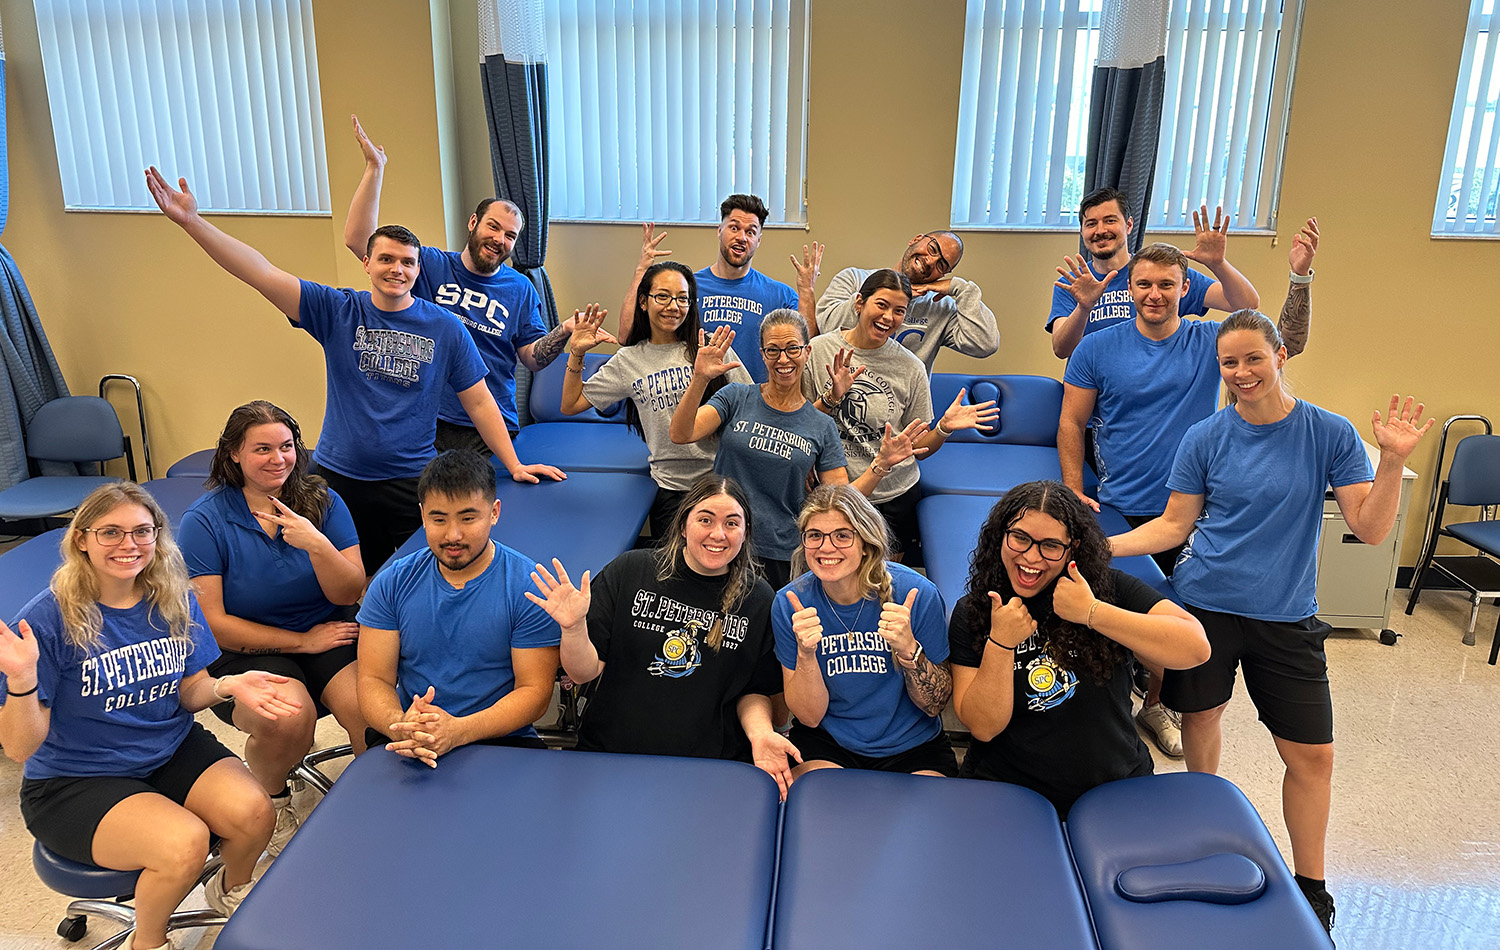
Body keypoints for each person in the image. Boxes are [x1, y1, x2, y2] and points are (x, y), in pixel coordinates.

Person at [1109, 309, 1433, 936]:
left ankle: (1312, 887)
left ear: (1280, 354)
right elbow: (1174, 527)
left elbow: (1368, 529)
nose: (1241, 372)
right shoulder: (1205, 436)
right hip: (1204, 605)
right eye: (1229, 363)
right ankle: (1202, 839)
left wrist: (1391, 461)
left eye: (1253, 358)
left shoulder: (1327, 433)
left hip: (1286, 615)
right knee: (1201, 719)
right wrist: (1099, 548)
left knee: (1313, 756)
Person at [145, 168, 563, 578]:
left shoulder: (446, 328)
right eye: (385, 259)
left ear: (419, 271)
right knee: (338, 578)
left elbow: (479, 400)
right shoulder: (337, 310)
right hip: (339, 475)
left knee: (429, 576)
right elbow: (261, 272)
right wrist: (193, 222)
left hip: (411, 477)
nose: (396, 269)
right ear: (367, 262)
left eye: (407, 262)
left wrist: (515, 463)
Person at [0, 483, 301, 949]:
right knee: (185, 843)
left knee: (255, 813)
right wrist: (21, 680)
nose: (130, 545)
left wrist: (228, 684)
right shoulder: (48, 618)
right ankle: (150, 940)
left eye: (143, 531)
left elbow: (189, 691)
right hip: (76, 779)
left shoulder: (174, 597)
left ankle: (226, 894)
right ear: (81, 538)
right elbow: (20, 747)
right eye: (111, 533)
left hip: (167, 747)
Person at [1058, 241, 1311, 758]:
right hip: (1121, 501)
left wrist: (1226, 264)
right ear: (1129, 289)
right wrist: (1072, 488)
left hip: (1195, 505)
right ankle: (1108, 707)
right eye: (1144, 284)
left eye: (1166, 284)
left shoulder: (1205, 339)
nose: (1154, 294)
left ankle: (1157, 703)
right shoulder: (1098, 347)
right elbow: (1071, 421)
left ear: (1184, 288)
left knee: (1181, 614)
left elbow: (1258, 318)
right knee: (1121, 612)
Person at [525, 474, 801, 797]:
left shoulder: (758, 599)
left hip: (708, 768)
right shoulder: (631, 570)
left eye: (731, 523)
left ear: (745, 533)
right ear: (683, 525)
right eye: (705, 519)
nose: (718, 534)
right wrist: (573, 629)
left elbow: (753, 691)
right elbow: (582, 671)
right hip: (612, 756)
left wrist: (760, 733)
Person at [947, 481, 1208, 817]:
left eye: (1051, 545)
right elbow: (983, 727)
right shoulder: (976, 610)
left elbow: (1195, 648)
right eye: (1020, 537)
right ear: (1000, 536)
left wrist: (1091, 613)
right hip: (1009, 789)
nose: (1031, 557)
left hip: (1114, 784)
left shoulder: (1109, 590)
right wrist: (1001, 642)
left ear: (1073, 548)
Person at [177, 400, 369, 855]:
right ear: (234, 456)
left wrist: (317, 544)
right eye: (262, 448)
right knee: (288, 717)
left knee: (369, 709)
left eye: (286, 446)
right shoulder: (204, 521)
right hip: (246, 649)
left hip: (329, 630)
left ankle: (374, 803)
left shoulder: (323, 500)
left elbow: (349, 592)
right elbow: (218, 626)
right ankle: (272, 796)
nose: (277, 459)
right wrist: (302, 641)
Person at [343, 115, 576, 454]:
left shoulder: (521, 288)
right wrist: (374, 169)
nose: (499, 239)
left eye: (510, 235)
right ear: (473, 223)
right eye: (493, 227)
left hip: (489, 423)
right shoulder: (432, 265)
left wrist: (565, 329)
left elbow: (532, 359)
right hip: (425, 414)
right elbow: (359, 240)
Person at [669, 310, 926, 589]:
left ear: (807, 352)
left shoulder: (821, 425)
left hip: (778, 552)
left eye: (792, 348)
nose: (783, 359)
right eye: (773, 350)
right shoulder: (737, 397)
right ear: (762, 354)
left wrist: (881, 464)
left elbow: (840, 497)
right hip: (722, 539)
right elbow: (681, 433)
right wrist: (700, 379)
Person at [356, 451, 561, 766]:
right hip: (413, 733)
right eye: (439, 519)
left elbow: (534, 692)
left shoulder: (528, 585)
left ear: (494, 512)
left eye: (468, 518)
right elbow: (373, 679)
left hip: (502, 737)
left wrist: (459, 730)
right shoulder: (392, 583)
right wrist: (399, 724)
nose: (453, 535)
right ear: (423, 515)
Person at [805, 268, 998, 561]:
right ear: (859, 303)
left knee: (885, 583)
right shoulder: (820, 350)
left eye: (899, 311)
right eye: (881, 305)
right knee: (831, 571)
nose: (888, 317)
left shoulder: (910, 367)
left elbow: (919, 450)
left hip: (893, 495)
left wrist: (944, 427)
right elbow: (801, 423)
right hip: (832, 490)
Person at [773, 484, 956, 779]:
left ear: (866, 543)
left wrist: (909, 649)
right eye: (815, 535)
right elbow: (809, 716)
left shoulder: (916, 593)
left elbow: (935, 705)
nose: (826, 547)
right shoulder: (790, 603)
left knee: (928, 819)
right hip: (830, 743)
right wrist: (806, 654)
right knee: (818, 809)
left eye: (842, 535)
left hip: (914, 745)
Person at [560, 261, 752, 537]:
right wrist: (576, 354)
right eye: (662, 296)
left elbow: (750, 400)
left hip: (721, 480)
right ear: (643, 302)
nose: (673, 306)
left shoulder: (709, 347)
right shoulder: (629, 359)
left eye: (682, 298)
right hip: (670, 487)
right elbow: (571, 404)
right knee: (673, 571)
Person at [618, 195, 824, 381]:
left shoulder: (779, 294)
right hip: (695, 400)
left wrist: (806, 292)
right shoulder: (686, 288)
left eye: (751, 232)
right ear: (720, 230)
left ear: (758, 240)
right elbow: (626, 336)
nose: (742, 237)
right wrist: (641, 270)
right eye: (734, 228)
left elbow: (807, 352)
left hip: (753, 405)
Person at [1047, 189, 1263, 359]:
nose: (1100, 230)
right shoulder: (1072, 285)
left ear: (1129, 225)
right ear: (1082, 231)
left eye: (1110, 220)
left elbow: (1246, 304)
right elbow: (1061, 349)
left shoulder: (1162, 276)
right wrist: (1084, 307)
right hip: (1094, 396)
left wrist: (1218, 264)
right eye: (1091, 224)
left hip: (1155, 392)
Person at [815, 230, 999, 372]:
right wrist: (871, 295)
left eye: (941, 265)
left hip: (901, 413)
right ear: (916, 239)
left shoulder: (940, 307)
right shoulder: (853, 279)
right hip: (839, 401)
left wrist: (961, 289)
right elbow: (827, 328)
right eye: (932, 249)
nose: (930, 261)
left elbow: (985, 344)